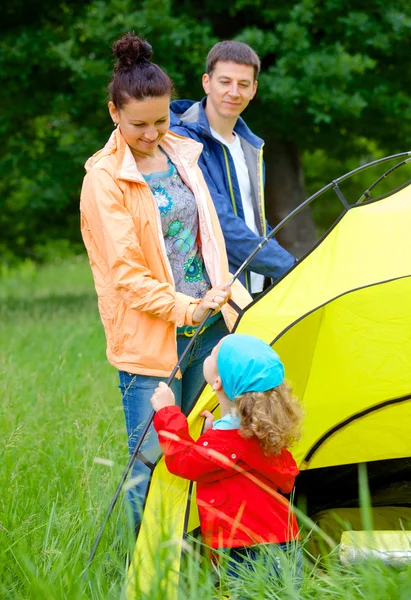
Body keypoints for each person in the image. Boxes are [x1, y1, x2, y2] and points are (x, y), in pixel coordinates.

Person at [80, 33, 251, 525]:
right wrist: (185, 308)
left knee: (206, 448)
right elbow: (127, 274)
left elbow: (209, 240)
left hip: (209, 330)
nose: (153, 133)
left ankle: (194, 560)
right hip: (151, 341)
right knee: (150, 463)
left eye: (160, 120)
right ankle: (145, 575)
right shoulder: (103, 179)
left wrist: (224, 300)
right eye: (139, 124)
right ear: (114, 112)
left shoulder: (183, 154)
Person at [150, 334, 303, 580]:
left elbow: (183, 461)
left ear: (218, 382)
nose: (210, 354)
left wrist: (167, 412)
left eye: (213, 354)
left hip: (249, 553)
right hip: (284, 543)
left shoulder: (225, 444)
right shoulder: (259, 433)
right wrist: (213, 431)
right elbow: (235, 460)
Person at [170, 41, 295, 297]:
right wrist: (289, 266)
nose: (234, 92)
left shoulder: (251, 146)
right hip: (211, 294)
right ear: (207, 82)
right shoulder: (184, 142)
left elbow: (256, 221)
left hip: (256, 287)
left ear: (254, 89)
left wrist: (282, 265)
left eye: (243, 84)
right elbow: (220, 222)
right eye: (225, 82)